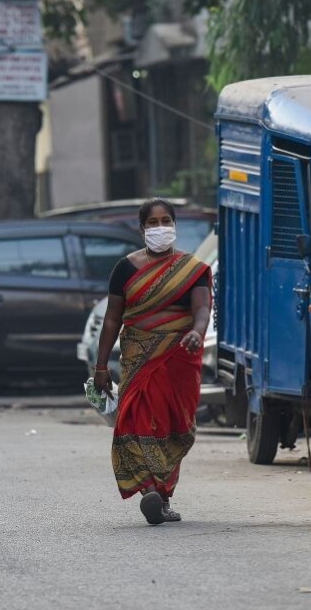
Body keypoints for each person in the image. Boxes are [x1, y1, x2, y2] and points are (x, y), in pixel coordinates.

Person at [93, 198, 211, 525]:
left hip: (178, 357)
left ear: (175, 225)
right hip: (138, 357)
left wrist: (198, 333)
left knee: (175, 427)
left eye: (166, 221)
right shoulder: (125, 269)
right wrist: (101, 366)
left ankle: (163, 497)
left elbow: (202, 310)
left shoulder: (192, 269)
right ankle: (149, 491)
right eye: (153, 222)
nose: (160, 228)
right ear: (142, 228)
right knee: (135, 420)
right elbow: (112, 320)